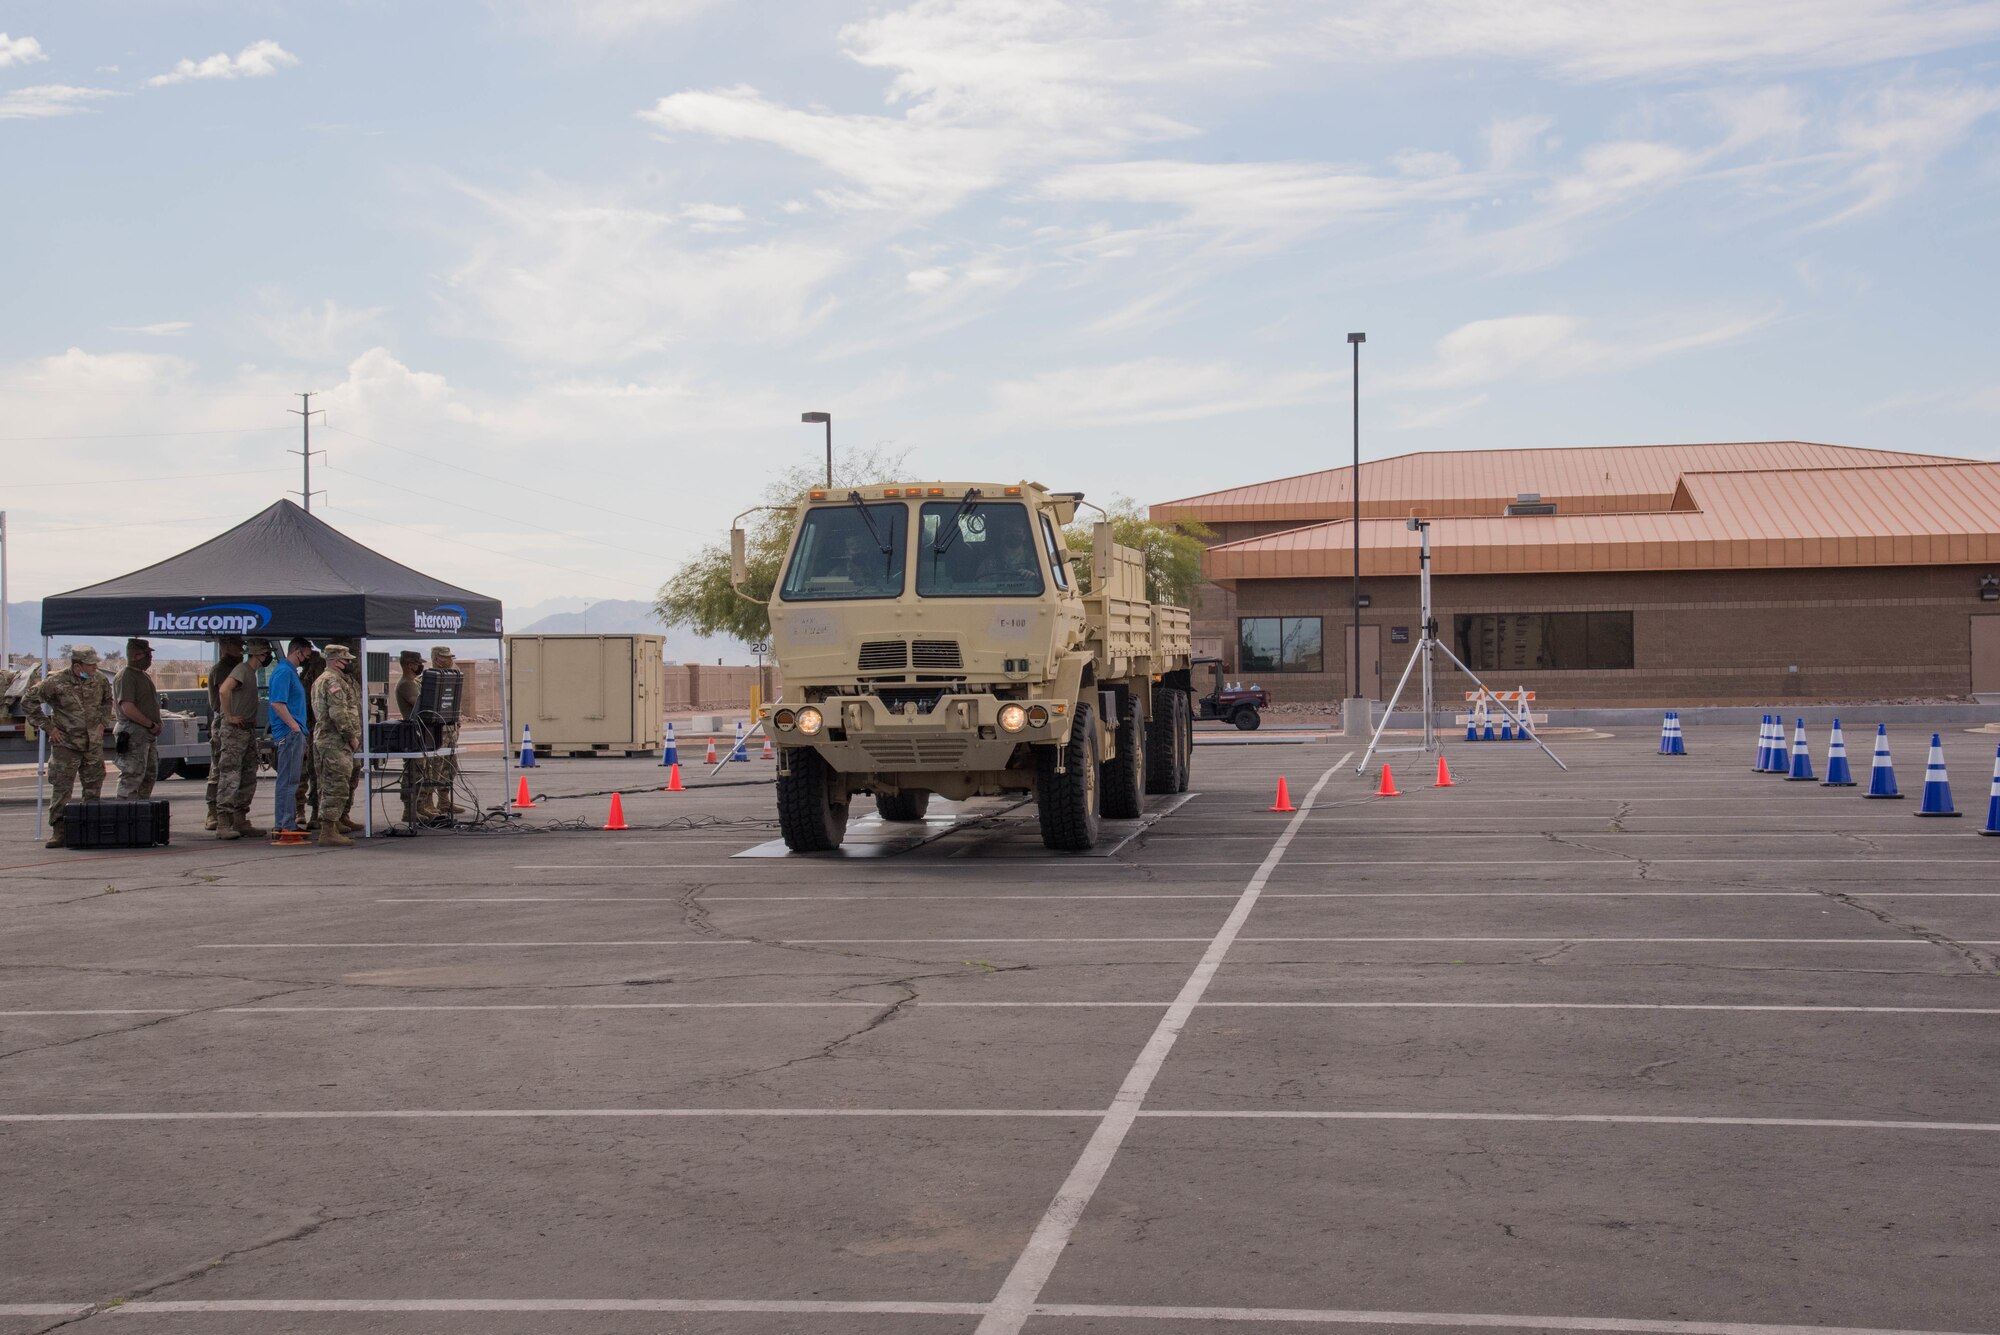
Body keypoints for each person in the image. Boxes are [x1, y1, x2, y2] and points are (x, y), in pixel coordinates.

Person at [23, 646, 114, 848]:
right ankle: (60, 831)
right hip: (66, 744)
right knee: (62, 788)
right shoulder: (55, 682)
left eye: (95, 664)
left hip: (92, 744)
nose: (94, 667)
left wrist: (102, 723)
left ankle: (90, 829)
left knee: (93, 788)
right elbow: (28, 701)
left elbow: (108, 700)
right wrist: (49, 727)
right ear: (77, 665)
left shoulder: (98, 680)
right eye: (90, 665)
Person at [213, 637, 271, 840]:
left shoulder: (251, 673)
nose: (267, 657)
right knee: (230, 775)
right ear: (259, 654)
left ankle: (240, 819)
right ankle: (223, 822)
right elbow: (223, 690)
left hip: (246, 730)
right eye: (266, 653)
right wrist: (228, 716)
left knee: (248, 775)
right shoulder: (242, 670)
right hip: (234, 731)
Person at [311, 644, 363, 847]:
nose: (349, 663)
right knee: (336, 784)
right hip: (334, 741)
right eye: (346, 659)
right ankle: (328, 830)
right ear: (335, 660)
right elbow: (338, 712)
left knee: (330, 784)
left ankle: (334, 823)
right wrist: (351, 736)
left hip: (327, 740)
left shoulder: (324, 680)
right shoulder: (332, 680)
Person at [267, 638, 311, 838]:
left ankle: (286, 822)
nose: (305, 660)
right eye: (305, 655)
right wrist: (294, 727)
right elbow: (277, 703)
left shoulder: (290, 672)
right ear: (297, 651)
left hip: (292, 732)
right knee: (288, 780)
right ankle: (285, 824)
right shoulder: (284, 672)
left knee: (290, 779)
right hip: (289, 733)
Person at [111, 638, 163, 800]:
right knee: (132, 775)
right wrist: (149, 724)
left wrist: (156, 724)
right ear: (135, 656)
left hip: (146, 734)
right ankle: (126, 813)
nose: (150, 659)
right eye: (146, 655)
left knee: (148, 774)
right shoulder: (126, 676)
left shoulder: (142, 676)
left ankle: (140, 810)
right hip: (133, 732)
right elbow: (127, 707)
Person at [203, 634, 244, 831]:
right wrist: (229, 716)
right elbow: (224, 692)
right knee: (219, 769)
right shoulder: (222, 669)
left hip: (237, 722)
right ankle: (213, 813)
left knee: (235, 770)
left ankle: (235, 814)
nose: (241, 648)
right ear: (226, 645)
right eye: (237, 644)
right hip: (224, 722)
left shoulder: (238, 666)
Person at [427, 645, 464, 817]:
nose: (449, 660)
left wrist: (457, 723)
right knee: (434, 768)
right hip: (436, 731)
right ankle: (427, 803)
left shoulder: (450, 678)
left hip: (449, 730)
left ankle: (444, 801)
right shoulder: (427, 679)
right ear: (436, 659)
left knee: (450, 767)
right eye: (445, 657)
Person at [394, 650, 426, 822]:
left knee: (420, 771)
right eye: (417, 663)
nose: (420, 666)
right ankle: (409, 809)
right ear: (409, 665)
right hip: (411, 731)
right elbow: (420, 704)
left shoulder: (413, 682)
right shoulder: (406, 684)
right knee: (412, 773)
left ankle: (419, 807)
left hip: (419, 731)